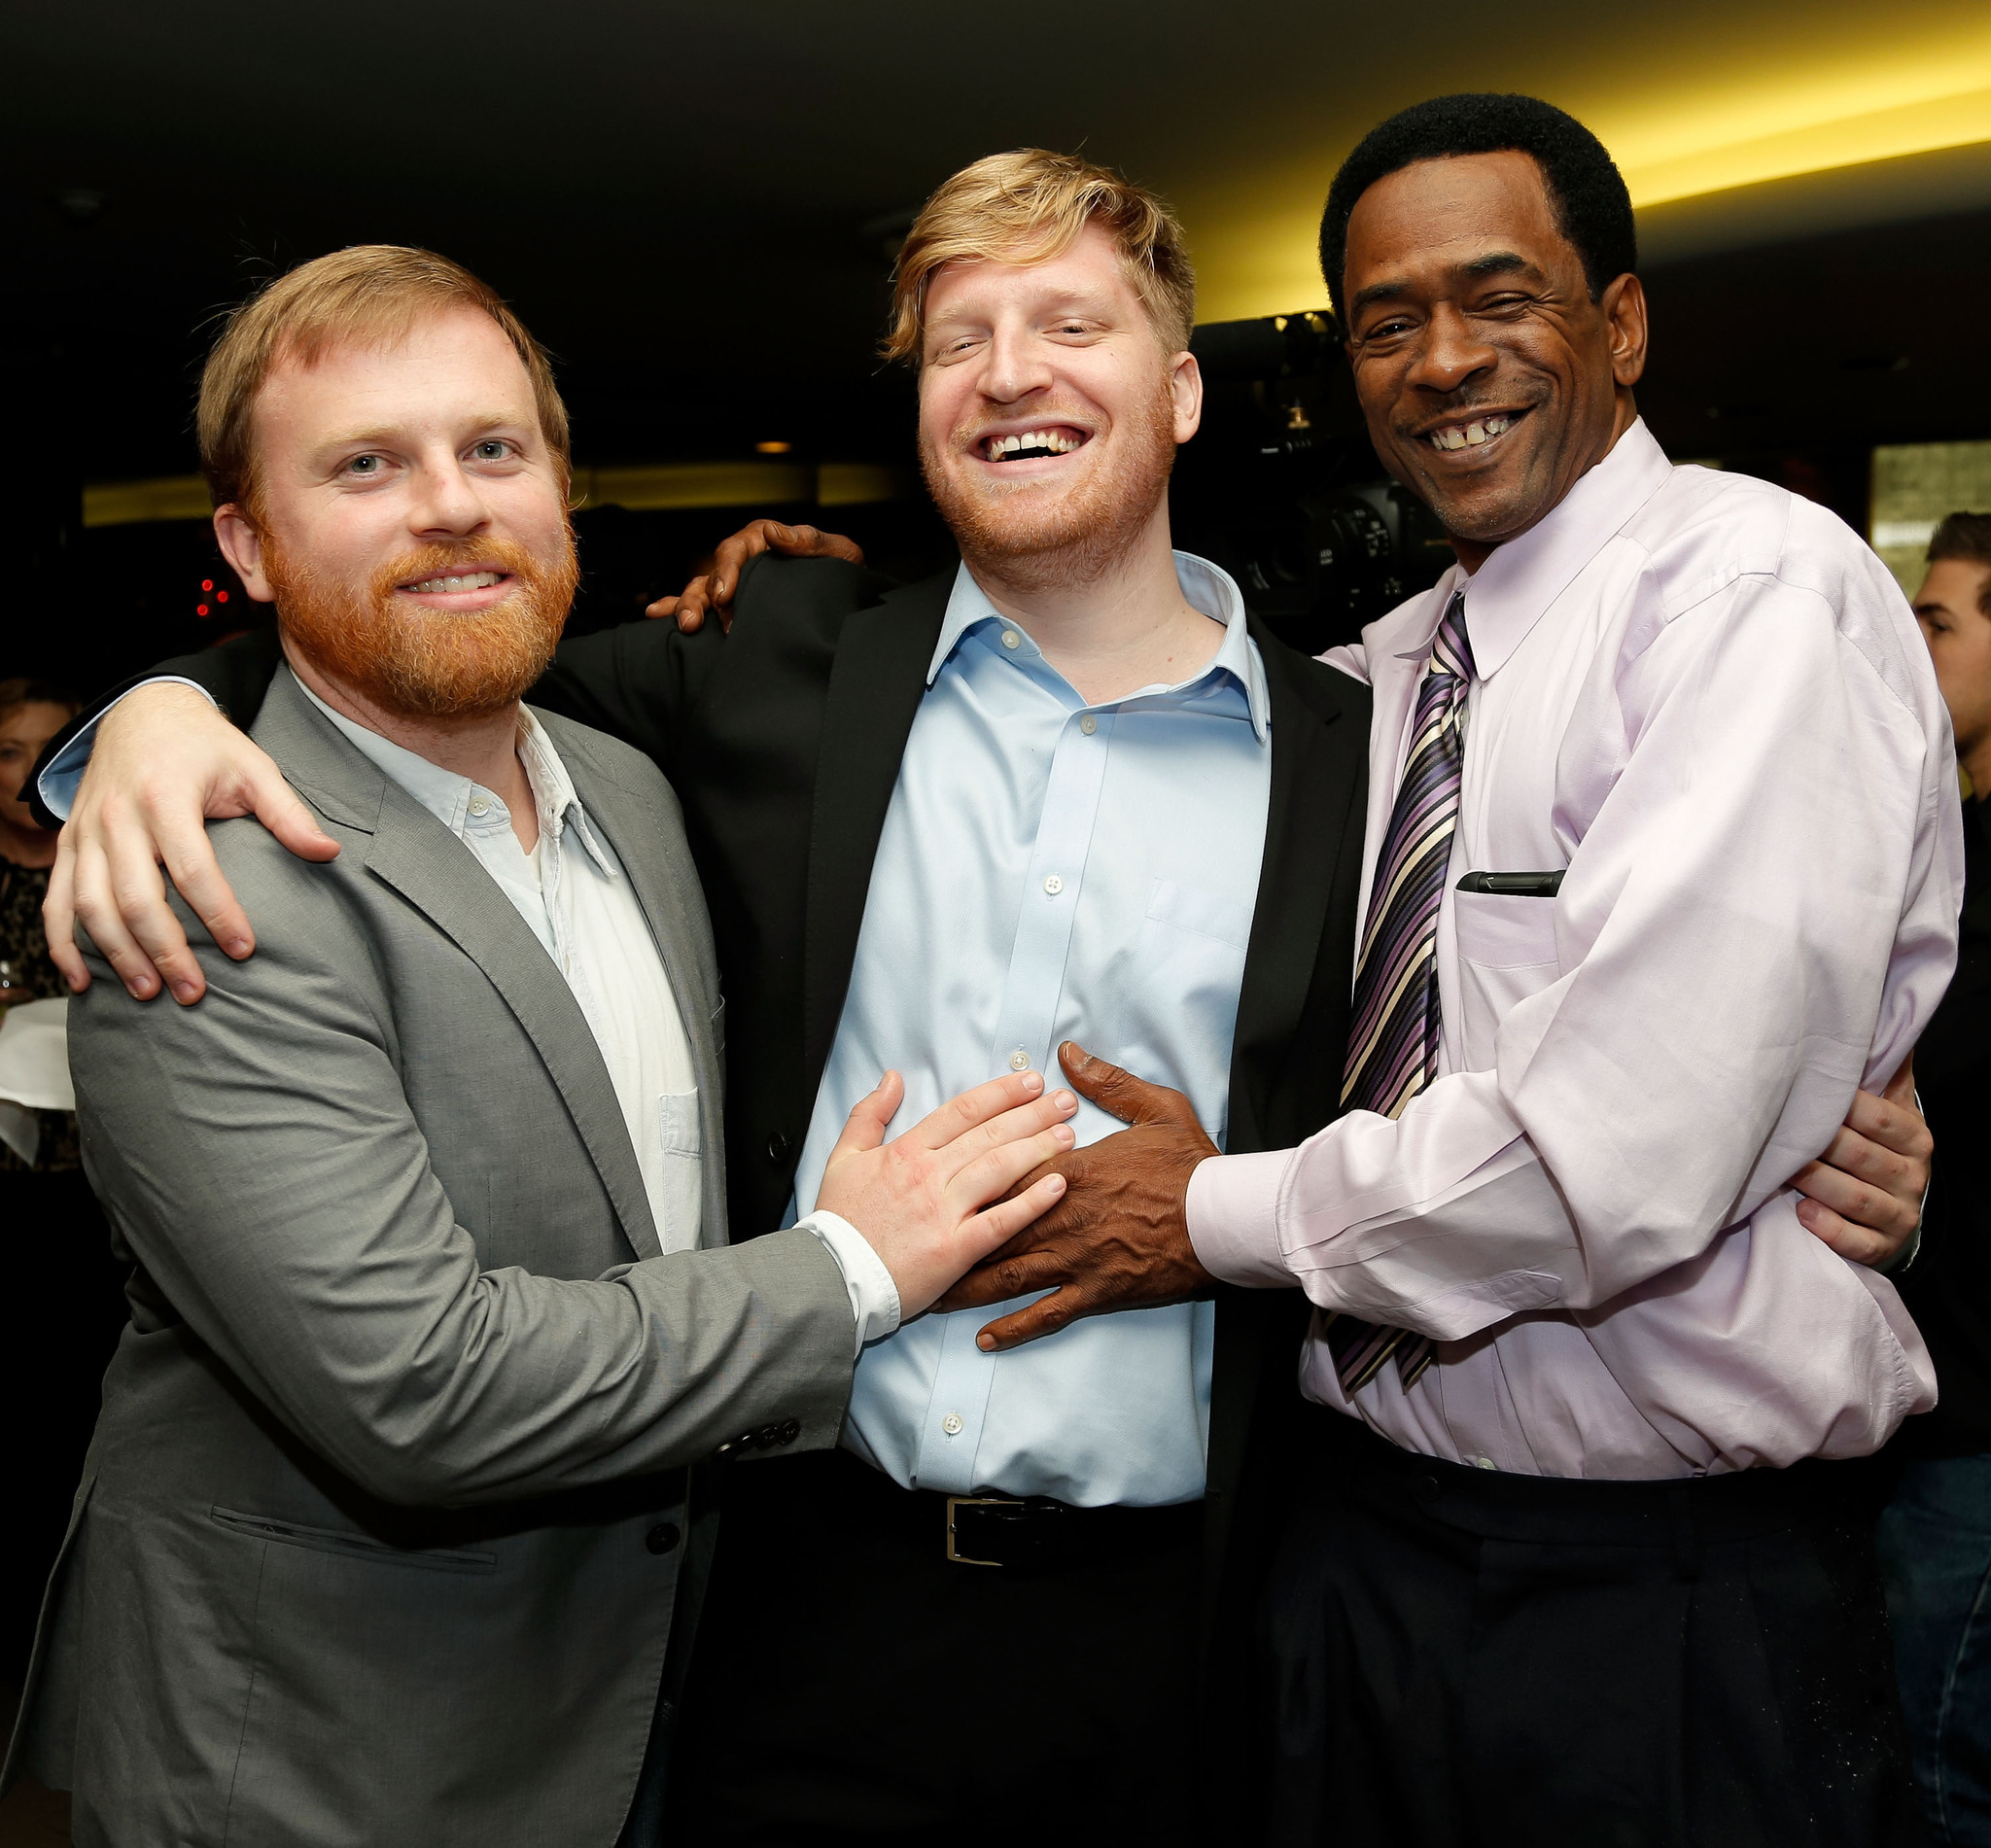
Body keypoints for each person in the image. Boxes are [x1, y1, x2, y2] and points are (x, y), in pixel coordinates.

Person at [31, 146, 1931, 1844]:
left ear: (1180, 387)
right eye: (961, 339)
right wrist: (147, 717)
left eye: (1072, 324)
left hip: (1206, 1625)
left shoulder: (1353, 726)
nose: (1013, 372)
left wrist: (1824, 1118)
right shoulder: (756, 674)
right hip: (798, 1603)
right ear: (919, 408)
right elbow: (412, 661)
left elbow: (1555, 1016)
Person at [0, 245, 1077, 1848]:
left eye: (491, 450)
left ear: (562, 492)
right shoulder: (194, 874)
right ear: (251, 539)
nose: (449, 504)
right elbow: (417, 1392)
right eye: (365, 464)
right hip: (321, 1757)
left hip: (637, 1698)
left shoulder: (624, 789)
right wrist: (854, 1267)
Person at [1882, 510, 1991, 1845]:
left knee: (1939, 1782)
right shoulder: (1942, 846)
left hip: (1974, 1429)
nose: (1911, 639)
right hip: (1920, 1411)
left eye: (1942, 620)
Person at [0, 678, 129, 1707]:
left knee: (93, 1405)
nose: (24, 775)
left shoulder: (116, 856)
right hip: (3, 1178)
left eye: (44, 751)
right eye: (8, 752)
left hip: (106, 1180)